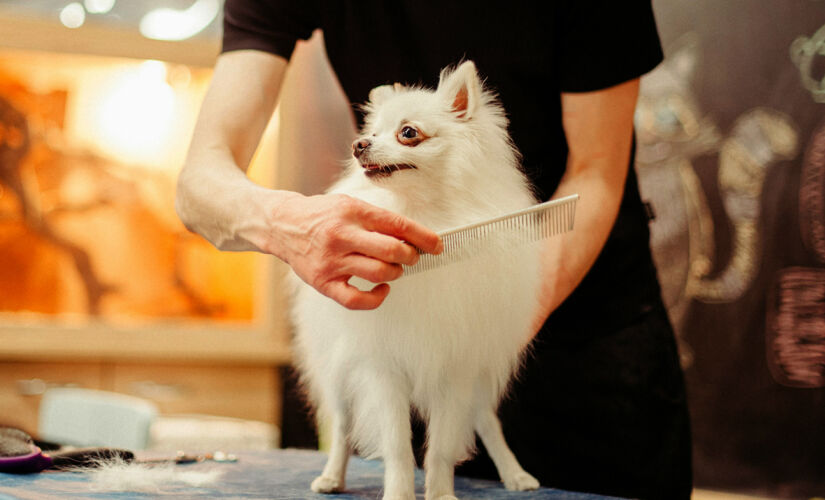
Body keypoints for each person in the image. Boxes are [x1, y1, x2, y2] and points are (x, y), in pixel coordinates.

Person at [175, 2, 693, 498]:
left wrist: (494, 318)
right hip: (403, 300)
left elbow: (597, 173)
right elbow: (199, 183)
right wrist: (289, 223)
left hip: (585, 332)